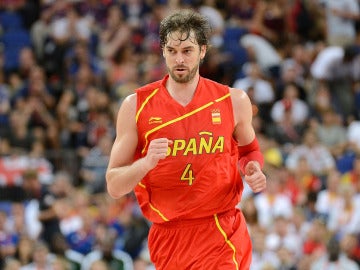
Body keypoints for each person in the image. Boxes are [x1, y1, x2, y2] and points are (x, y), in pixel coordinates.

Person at [106, 9, 266, 269]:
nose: (179, 59)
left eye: (187, 51)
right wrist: (146, 163)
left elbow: (250, 151)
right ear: (163, 52)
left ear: (202, 51)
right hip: (168, 235)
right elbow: (114, 185)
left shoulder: (232, 100)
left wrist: (253, 168)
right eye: (172, 51)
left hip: (221, 229)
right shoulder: (135, 106)